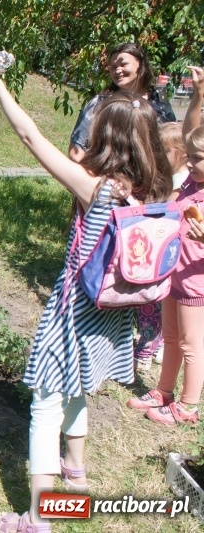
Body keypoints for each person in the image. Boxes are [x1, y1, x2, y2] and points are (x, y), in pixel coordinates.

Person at [0, 62, 172, 532]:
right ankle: (75, 471)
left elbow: (31, 139)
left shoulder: (97, 189)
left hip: (75, 312)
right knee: (79, 387)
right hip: (115, 313)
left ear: (108, 138)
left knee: (45, 403)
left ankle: (38, 518)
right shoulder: (154, 189)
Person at [70, 43, 176, 372]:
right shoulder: (100, 103)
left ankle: (147, 337)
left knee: (146, 267)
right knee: (104, 267)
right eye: (113, 64)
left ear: (141, 65)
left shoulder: (158, 105)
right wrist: (98, 190)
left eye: (124, 63)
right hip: (108, 198)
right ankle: (98, 333)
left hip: (147, 201)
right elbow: (77, 150)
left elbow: (173, 146)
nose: (118, 69)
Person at [127, 65, 204, 426]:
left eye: (200, 159)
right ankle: (164, 392)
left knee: (191, 344)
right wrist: (199, 95)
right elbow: (190, 132)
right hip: (176, 273)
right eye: (193, 157)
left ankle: (188, 406)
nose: (194, 162)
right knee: (171, 336)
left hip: (196, 283)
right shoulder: (190, 185)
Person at [133, 122, 190, 369]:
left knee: (153, 301)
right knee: (155, 301)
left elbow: (167, 208)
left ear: (181, 152)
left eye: (165, 151)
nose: (159, 156)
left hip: (168, 251)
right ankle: (157, 341)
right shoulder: (168, 175)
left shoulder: (183, 182)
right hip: (160, 247)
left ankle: (148, 346)